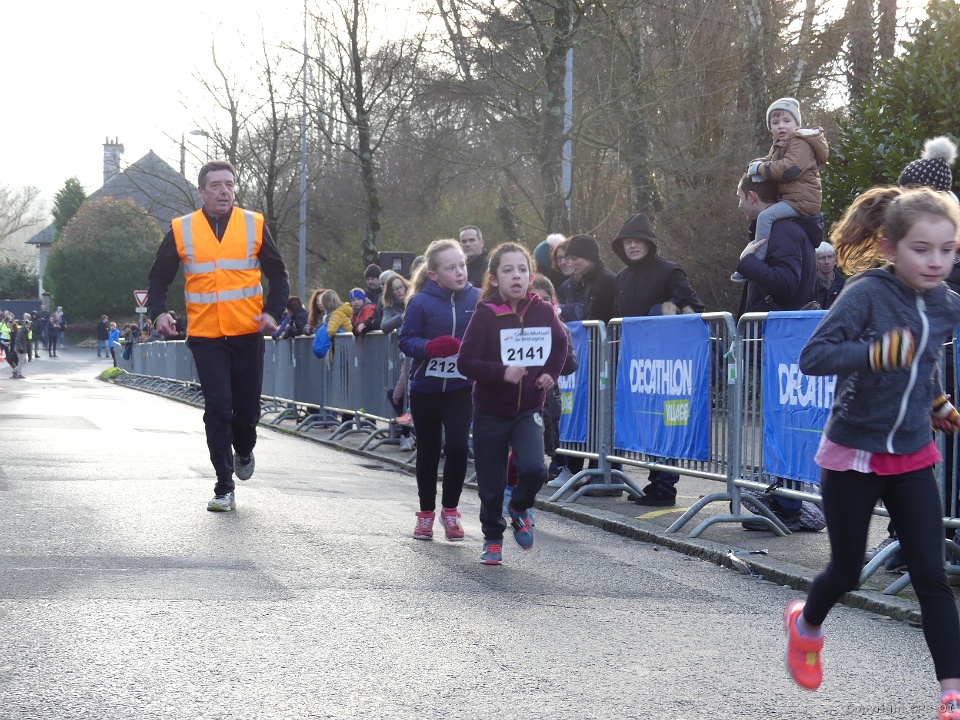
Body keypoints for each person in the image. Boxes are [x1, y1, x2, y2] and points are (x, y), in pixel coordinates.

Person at [786, 186, 960, 720]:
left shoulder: (946, 304)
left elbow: (923, 359)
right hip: (854, 452)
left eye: (948, 249)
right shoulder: (865, 294)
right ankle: (805, 625)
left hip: (912, 454)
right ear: (890, 248)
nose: (936, 262)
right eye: (921, 249)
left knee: (931, 575)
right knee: (846, 572)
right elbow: (814, 357)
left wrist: (936, 401)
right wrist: (874, 353)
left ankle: (952, 694)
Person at [147, 159, 290, 513]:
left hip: (247, 333)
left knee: (247, 412)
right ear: (201, 191)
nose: (224, 191)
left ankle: (245, 449)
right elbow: (158, 278)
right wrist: (158, 314)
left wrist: (272, 313)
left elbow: (279, 274)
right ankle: (224, 486)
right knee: (218, 408)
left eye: (229, 184)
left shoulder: (254, 224)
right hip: (206, 335)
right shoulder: (181, 229)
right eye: (216, 185)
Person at [458, 243, 567, 565]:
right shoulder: (485, 315)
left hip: (529, 408)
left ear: (531, 276)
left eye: (522, 270)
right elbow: (466, 362)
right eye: (508, 271)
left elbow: (560, 345)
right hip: (490, 410)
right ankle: (493, 538)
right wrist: (502, 372)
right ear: (494, 279)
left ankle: (519, 507)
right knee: (491, 483)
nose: (516, 276)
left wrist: (550, 373)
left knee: (535, 468)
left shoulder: (543, 311)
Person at [610, 212, 705, 506]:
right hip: (638, 367)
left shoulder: (670, 271)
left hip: (668, 365)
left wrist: (663, 311)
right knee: (648, 424)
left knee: (665, 426)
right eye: (627, 241)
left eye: (638, 240)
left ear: (649, 243)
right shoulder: (621, 278)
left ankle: (665, 487)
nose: (632, 245)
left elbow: (694, 308)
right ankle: (655, 484)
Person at [398, 239, 479, 542]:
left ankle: (451, 510)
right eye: (451, 268)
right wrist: (430, 347)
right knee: (429, 451)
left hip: (461, 387)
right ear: (433, 275)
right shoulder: (421, 302)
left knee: (458, 447)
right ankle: (425, 514)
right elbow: (405, 340)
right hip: (426, 388)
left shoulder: (477, 299)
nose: (459, 272)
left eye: (462, 265)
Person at [732, 97, 829, 282]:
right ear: (770, 128)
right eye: (775, 123)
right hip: (792, 198)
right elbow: (770, 161)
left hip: (801, 200)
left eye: (786, 121)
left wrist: (760, 169)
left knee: (765, 217)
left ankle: (756, 260)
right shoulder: (780, 145)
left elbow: (789, 170)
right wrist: (754, 165)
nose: (781, 126)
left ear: (797, 125)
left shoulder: (801, 143)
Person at [381, 274, 413, 450]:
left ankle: (408, 433)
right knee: (399, 394)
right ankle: (406, 434)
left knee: (409, 393)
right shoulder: (391, 308)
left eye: (401, 287)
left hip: (419, 353)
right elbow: (384, 327)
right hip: (406, 356)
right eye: (395, 289)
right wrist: (400, 318)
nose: (400, 291)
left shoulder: (415, 298)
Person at [814, 242, 845, 310]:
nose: (827, 262)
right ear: (815, 261)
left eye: (830, 257)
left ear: (835, 260)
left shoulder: (844, 286)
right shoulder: (809, 287)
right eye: (822, 258)